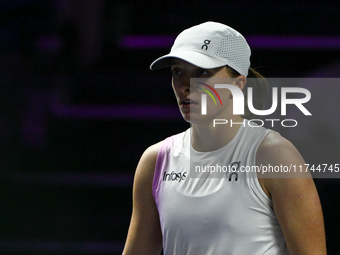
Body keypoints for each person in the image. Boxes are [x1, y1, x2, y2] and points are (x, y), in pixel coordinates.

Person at [122, 21, 326, 255]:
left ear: (237, 84)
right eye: (178, 72)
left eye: (202, 72)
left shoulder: (275, 155)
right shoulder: (156, 160)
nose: (185, 86)